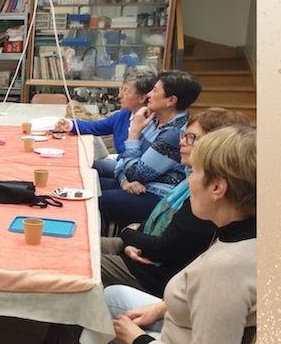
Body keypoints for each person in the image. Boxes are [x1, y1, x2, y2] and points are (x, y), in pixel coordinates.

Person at [105, 125, 256, 344]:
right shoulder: (241, 234)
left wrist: (138, 341)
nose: (189, 181)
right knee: (112, 296)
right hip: (176, 326)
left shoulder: (225, 268)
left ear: (217, 187)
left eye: (194, 172)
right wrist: (161, 308)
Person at [100, 108, 250, 297]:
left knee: (79, 262)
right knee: (78, 246)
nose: (182, 141)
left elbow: (164, 249)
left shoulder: (207, 201)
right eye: (184, 135)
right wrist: (133, 238)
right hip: (144, 251)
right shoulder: (192, 182)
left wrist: (128, 233)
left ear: (214, 146)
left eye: (191, 138)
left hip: (151, 273)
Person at [98, 70, 201, 227]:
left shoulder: (174, 133)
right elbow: (124, 159)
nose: (148, 95)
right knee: (91, 183)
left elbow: (137, 174)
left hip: (156, 196)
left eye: (155, 91)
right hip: (138, 185)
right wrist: (124, 181)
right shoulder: (153, 119)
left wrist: (134, 133)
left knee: (96, 199)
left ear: (171, 100)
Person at [54, 67, 157, 178]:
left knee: (86, 166)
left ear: (141, 98)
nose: (119, 96)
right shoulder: (124, 115)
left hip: (134, 173)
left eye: (126, 92)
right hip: (121, 166)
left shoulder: (153, 124)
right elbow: (96, 127)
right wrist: (70, 124)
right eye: (121, 89)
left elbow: (140, 164)